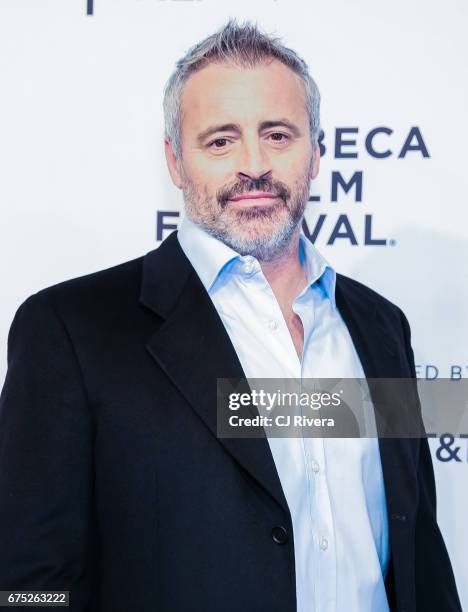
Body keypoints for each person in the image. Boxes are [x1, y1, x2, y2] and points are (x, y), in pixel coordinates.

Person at [0, 19, 461, 612]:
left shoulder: (381, 326)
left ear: (317, 152)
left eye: (278, 135)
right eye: (220, 141)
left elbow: (418, 546)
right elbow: (29, 583)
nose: (254, 164)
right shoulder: (71, 330)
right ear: (175, 161)